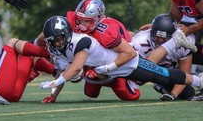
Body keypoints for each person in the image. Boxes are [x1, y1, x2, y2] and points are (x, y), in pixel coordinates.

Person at [39, 16, 203, 98]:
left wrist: (109, 67)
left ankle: (199, 80)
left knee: (162, 74)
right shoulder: (61, 47)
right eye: (53, 41)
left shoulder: (81, 42)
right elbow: (64, 70)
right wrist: (53, 96)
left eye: (59, 39)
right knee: (91, 90)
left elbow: (74, 68)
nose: (57, 44)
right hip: (112, 68)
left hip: (127, 64)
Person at [36, 0, 141, 102]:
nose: (79, 23)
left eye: (85, 20)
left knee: (129, 95)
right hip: (93, 65)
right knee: (90, 92)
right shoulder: (72, 23)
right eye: (79, 18)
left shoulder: (105, 30)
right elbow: (53, 30)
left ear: (97, 18)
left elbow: (129, 52)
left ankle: (120, 79)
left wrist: (109, 68)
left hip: (119, 62)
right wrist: (37, 42)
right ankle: (92, 72)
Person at [131, 14, 196, 100]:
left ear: (174, 35)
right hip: (145, 68)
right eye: (157, 37)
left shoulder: (184, 42)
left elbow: (185, 73)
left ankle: (161, 85)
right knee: (136, 86)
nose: (161, 40)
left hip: (169, 71)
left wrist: (173, 95)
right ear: (151, 32)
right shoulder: (140, 42)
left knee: (188, 93)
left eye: (165, 37)